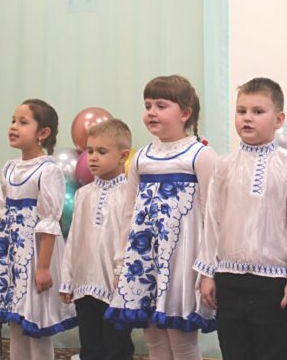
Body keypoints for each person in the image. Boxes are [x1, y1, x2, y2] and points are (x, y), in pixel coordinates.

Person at [194, 77, 287, 360]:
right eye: (241, 111)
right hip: (228, 279)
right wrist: (207, 273)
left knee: (273, 353)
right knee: (234, 352)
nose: (247, 118)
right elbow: (212, 221)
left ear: (278, 119)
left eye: (258, 111)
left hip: (273, 283)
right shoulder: (223, 165)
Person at [105, 75, 218, 360]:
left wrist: (208, 270)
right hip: (144, 259)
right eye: (148, 106)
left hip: (182, 262)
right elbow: (129, 213)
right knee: (154, 339)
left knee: (182, 342)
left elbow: (213, 216)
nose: (151, 112)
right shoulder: (141, 157)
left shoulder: (200, 155)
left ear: (185, 113)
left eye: (161, 106)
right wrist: (121, 263)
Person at [0, 99, 76, 360]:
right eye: (13, 121)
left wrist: (43, 267)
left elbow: (50, 222)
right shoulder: (9, 169)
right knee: (16, 320)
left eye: (23, 122)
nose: (13, 127)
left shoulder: (48, 170)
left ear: (43, 133)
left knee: (36, 324)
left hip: (36, 257)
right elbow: (2, 217)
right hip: (11, 256)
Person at [60, 119, 136, 360]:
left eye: (102, 152)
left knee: (117, 348)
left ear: (123, 156)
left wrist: (126, 276)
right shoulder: (83, 194)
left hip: (114, 287)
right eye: (90, 151)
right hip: (84, 286)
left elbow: (132, 241)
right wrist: (67, 279)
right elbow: (73, 240)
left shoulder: (130, 194)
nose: (92, 157)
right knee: (90, 348)